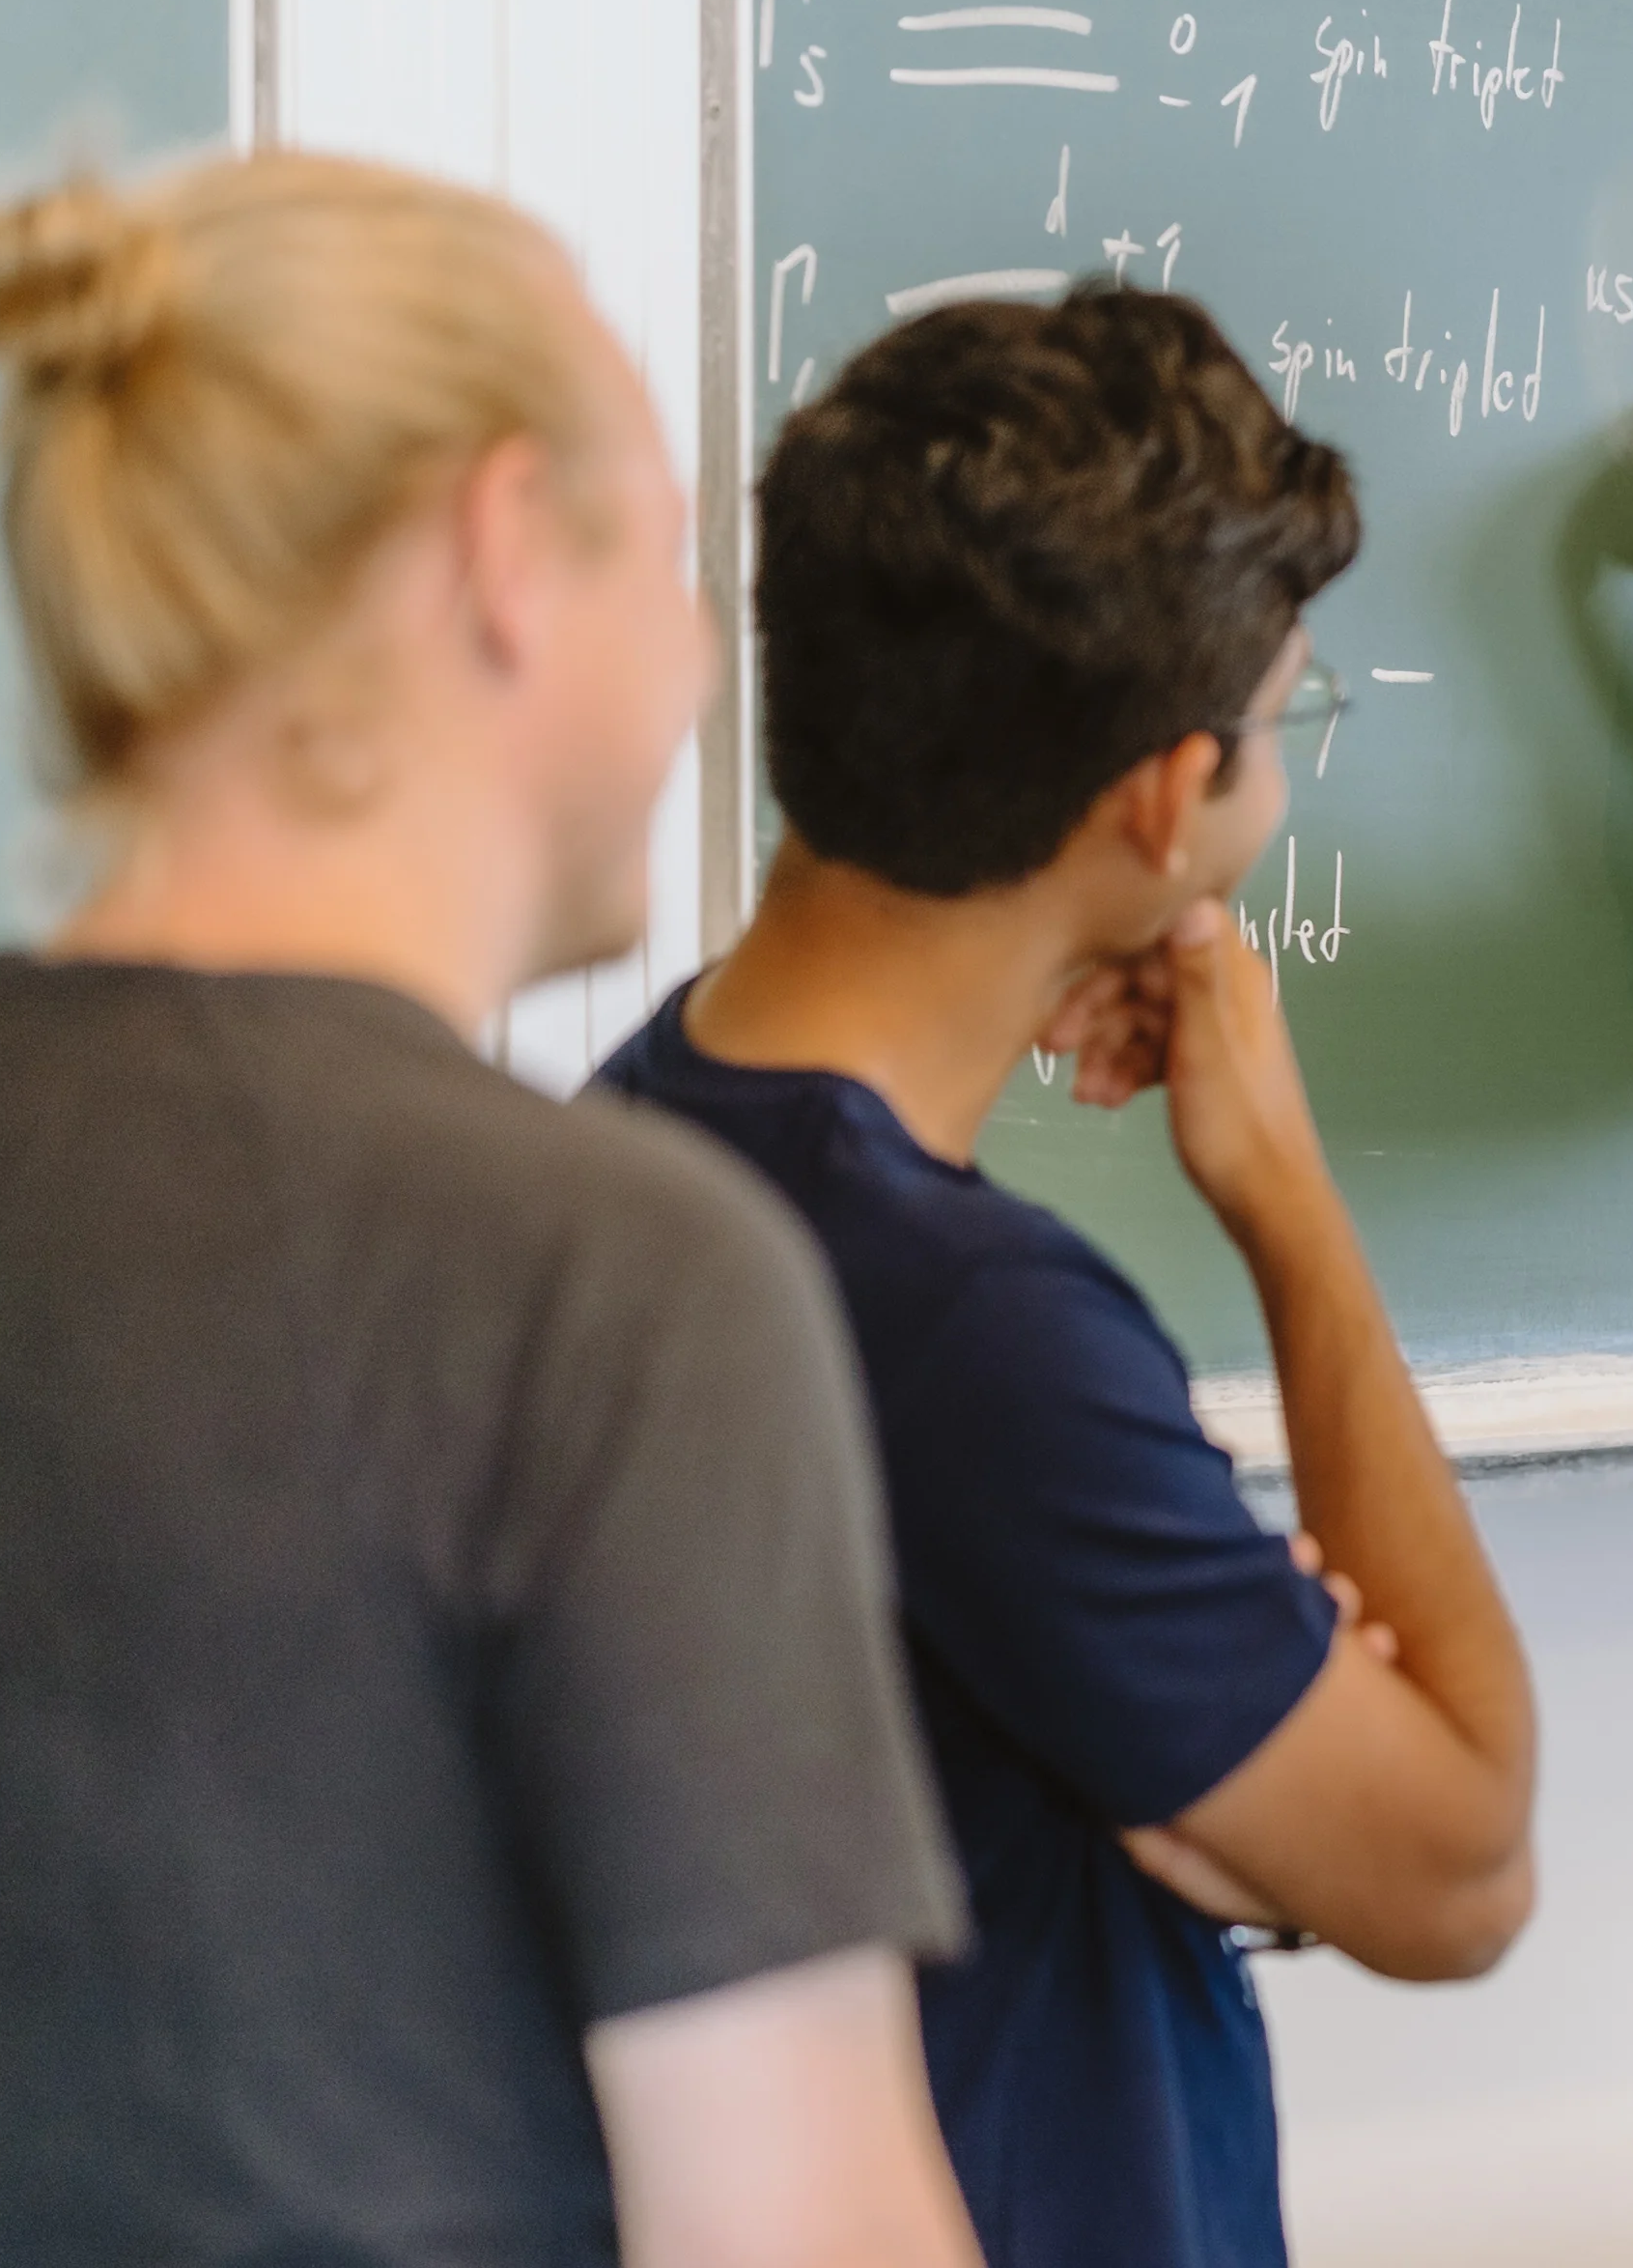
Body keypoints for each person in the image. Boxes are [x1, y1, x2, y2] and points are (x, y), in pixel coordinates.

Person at [0, 155, 977, 2267]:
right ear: (501, 552)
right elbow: (797, 2226)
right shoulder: (606, 1285)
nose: (692, 669)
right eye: (668, 556)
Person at [598, 284, 1536, 2268]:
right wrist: (1286, 1206)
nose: (1275, 787)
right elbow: (1457, 1861)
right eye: (1279, 726)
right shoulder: (976, 1334)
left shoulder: (624, 1159)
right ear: (1153, 801)